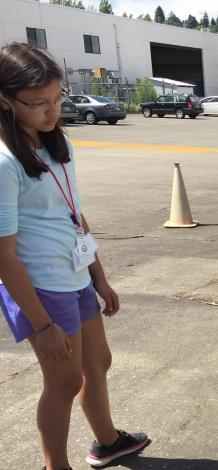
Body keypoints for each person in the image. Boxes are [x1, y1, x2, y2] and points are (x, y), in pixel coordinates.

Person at [0, 43, 149, 470]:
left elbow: (73, 214)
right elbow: (4, 257)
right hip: (41, 286)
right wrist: (42, 325)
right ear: (5, 100)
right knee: (64, 381)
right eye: (38, 103)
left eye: (57, 98)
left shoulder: (55, 142)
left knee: (97, 362)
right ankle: (55, 465)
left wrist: (98, 277)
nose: (51, 111)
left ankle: (107, 442)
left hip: (75, 274)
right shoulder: (6, 161)